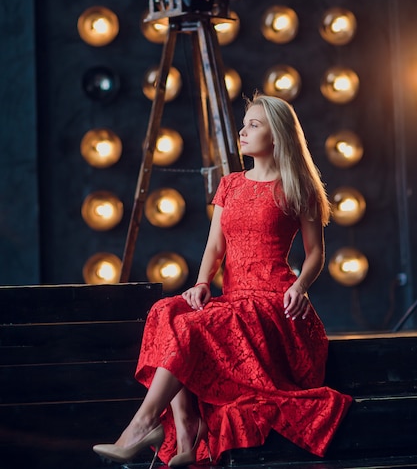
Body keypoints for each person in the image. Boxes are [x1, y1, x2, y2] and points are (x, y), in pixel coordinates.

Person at [93, 93, 353, 467]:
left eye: (254, 125)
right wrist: (201, 283)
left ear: (277, 136)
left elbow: (316, 254)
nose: (242, 132)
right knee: (166, 311)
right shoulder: (230, 184)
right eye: (244, 123)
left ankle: (145, 422)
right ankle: (186, 431)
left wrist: (300, 286)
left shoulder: (298, 187)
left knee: (191, 329)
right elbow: (215, 246)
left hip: (273, 304)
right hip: (233, 296)